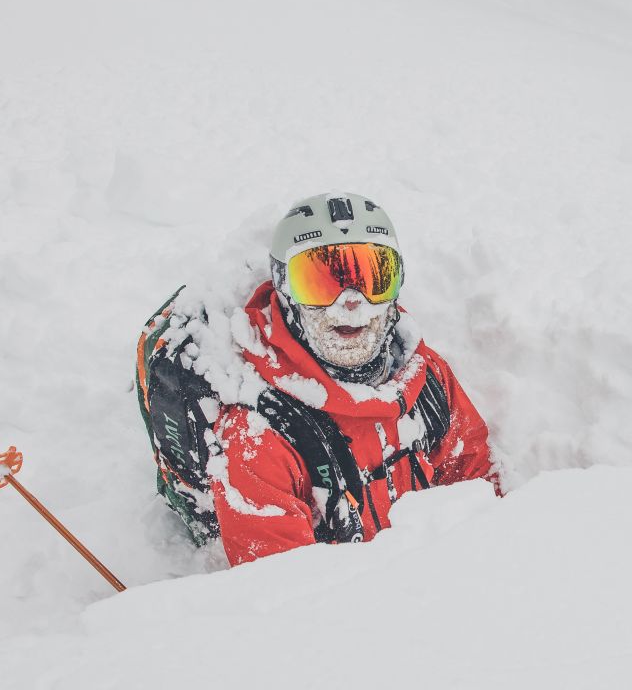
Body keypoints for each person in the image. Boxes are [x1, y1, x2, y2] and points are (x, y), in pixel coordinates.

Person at [136, 192, 497, 565]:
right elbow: (285, 595)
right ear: (284, 288)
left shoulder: (425, 378)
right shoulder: (258, 438)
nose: (352, 302)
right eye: (321, 283)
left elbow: (478, 485)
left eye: (375, 279)